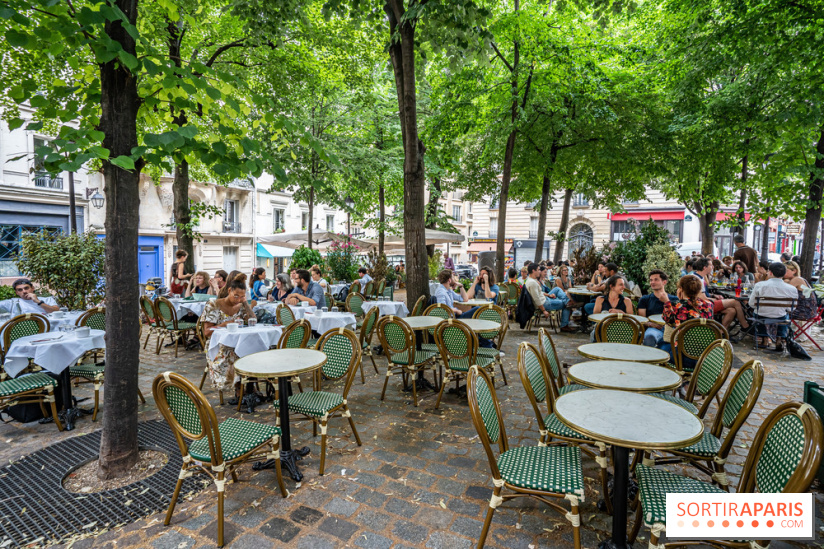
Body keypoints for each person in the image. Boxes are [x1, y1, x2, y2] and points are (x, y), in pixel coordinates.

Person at [202, 275, 255, 395]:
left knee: (254, 351)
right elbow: (207, 332)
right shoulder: (214, 304)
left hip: (239, 342)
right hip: (218, 344)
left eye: (241, 297)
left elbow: (252, 320)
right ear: (229, 290)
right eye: (236, 296)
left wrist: (245, 303)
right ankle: (239, 389)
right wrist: (225, 324)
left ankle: (251, 389)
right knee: (235, 354)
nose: (238, 299)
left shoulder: (241, 306)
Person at [661, 274, 714, 366]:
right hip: (704, 357)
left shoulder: (673, 305)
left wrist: (670, 301)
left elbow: (669, 322)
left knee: (660, 344)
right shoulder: (709, 305)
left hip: (681, 357)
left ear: (680, 289)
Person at [691, 258, 751, 332]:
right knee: (736, 302)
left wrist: (713, 295)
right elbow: (703, 298)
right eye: (711, 265)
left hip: (704, 302)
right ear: (704, 267)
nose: (713, 267)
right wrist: (720, 300)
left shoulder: (699, 277)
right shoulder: (698, 280)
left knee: (732, 311)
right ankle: (745, 326)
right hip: (703, 305)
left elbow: (701, 294)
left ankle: (721, 332)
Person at [749, 262, 797, 351]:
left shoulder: (759, 285)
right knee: (784, 315)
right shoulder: (792, 288)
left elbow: (751, 304)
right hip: (780, 317)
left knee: (758, 313)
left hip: (762, 316)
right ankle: (780, 338)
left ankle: (765, 339)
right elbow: (792, 308)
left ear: (770, 272)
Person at [637, 270, 677, 347]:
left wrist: (667, 301)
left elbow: (677, 318)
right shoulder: (645, 299)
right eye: (651, 280)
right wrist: (650, 324)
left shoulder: (674, 299)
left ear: (664, 282)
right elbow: (641, 319)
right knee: (649, 337)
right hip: (654, 329)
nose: (652, 282)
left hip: (671, 330)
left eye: (656, 280)